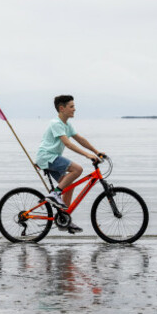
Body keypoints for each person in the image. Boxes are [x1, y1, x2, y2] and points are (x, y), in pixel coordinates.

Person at [35, 95, 104, 233]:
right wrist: (87, 155)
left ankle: (64, 219)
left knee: (69, 186)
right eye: (71, 106)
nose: (74, 109)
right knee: (77, 169)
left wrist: (97, 152)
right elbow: (68, 143)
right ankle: (54, 194)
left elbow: (80, 139)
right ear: (62, 108)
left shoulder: (67, 124)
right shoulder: (56, 123)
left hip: (51, 158)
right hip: (47, 156)